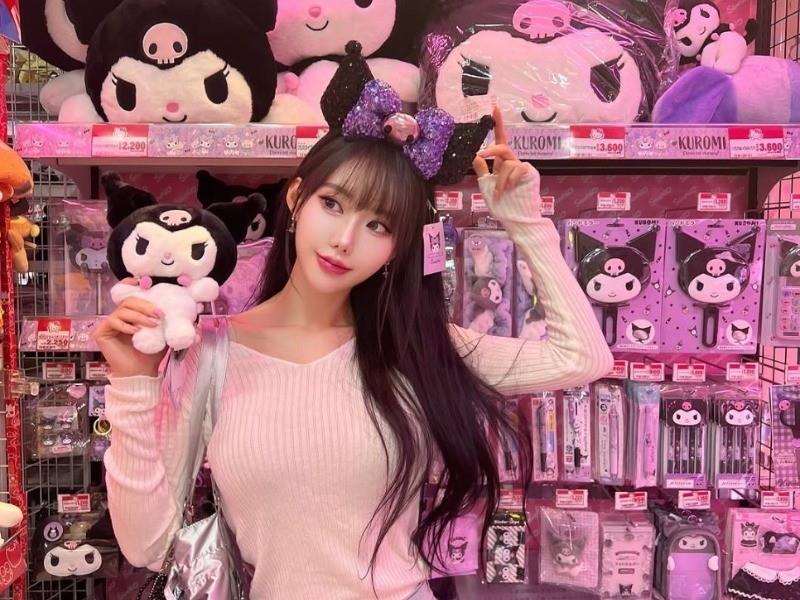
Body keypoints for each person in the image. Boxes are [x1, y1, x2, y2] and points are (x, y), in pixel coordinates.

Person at [97, 95, 612, 600]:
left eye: (378, 225)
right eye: (332, 204)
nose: (345, 239)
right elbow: (148, 545)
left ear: (397, 247)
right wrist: (132, 384)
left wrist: (524, 221)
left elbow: (581, 357)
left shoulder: (415, 350)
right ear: (296, 198)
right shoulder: (210, 353)